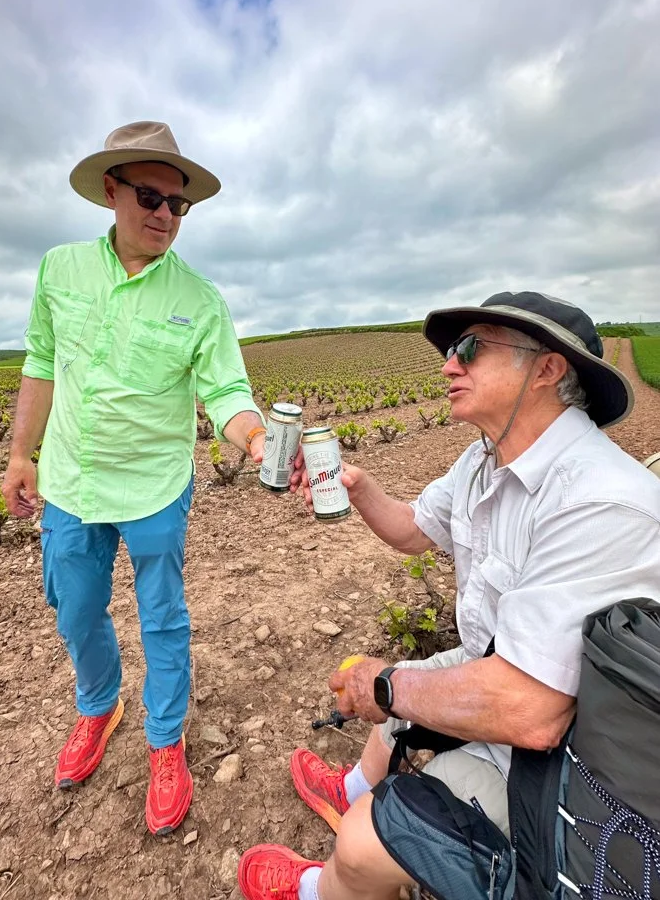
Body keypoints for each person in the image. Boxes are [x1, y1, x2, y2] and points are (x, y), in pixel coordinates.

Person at [237, 291, 660, 900]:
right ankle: (350, 788)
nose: (448, 365)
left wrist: (387, 687)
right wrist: (355, 488)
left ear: (547, 369)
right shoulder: (484, 461)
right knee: (408, 687)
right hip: (501, 669)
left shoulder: (602, 501)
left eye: (470, 348)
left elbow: (531, 712)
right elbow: (414, 530)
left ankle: (323, 884)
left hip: (560, 764)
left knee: (361, 843)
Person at [2, 121, 266, 836]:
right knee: (76, 610)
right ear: (112, 192)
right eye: (150, 196)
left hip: (154, 487)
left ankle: (166, 740)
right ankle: (100, 706)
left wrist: (258, 437)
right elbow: (39, 361)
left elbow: (226, 392)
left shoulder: (201, 299)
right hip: (70, 484)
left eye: (179, 205)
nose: (165, 215)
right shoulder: (60, 269)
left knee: (163, 618)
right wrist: (21, 454)